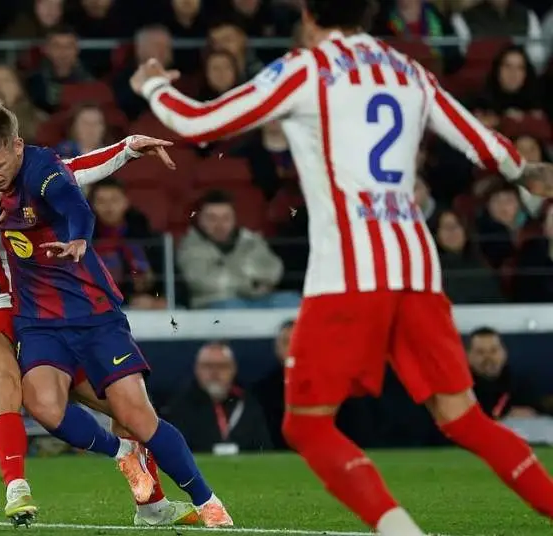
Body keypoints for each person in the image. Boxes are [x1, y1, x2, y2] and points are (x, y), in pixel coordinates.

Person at [128, 0, 553, 533]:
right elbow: (486, 146)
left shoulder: (307, 68)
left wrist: (153, 85)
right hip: (417, 269)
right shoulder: (408, 70)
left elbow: (198, 122)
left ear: (309, 14)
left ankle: (401, 530)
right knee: (463, 417)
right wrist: (525, 171)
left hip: (350, 275)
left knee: (307, 426)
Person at [0, 80, 197, 527]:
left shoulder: (13, 169)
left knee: (123, 407)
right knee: (5, 382)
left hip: (39, 307)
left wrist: (126, 148)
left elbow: (72, 170)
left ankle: (151, 503)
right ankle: (17, 488)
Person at [0, 101, 232, 527]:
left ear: (17, 145)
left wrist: (79, 239)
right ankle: (123, 454)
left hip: (94, 313)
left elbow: (76, 206)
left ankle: (206, 500)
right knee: (42, 404)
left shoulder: (43, 170)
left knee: (137, 417)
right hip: (38, 320)